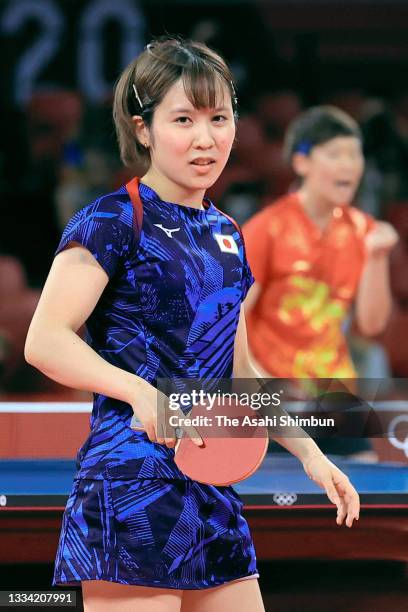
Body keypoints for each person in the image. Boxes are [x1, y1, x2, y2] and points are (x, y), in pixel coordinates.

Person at [25, 39, 360, 612]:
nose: (206, 139)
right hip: (129, 488)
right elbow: (45, 340)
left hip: (210, 489)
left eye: (219, 119)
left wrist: (309, 454)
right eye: (183, 120)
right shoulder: (113, 220)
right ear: (144, 129)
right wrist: (138, 392)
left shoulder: (228, 234)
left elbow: (242, 372)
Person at [242, 105, 398, 458]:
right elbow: (231, 318)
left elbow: (371, 327)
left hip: (334, 397)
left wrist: (376, 258)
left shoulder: (363, 232)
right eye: (335, 154)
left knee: (364, 490)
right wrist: (261, 383)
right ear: (301, 163)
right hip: (273, 401)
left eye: (354, 155)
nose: (348, 165)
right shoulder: (266, 229)